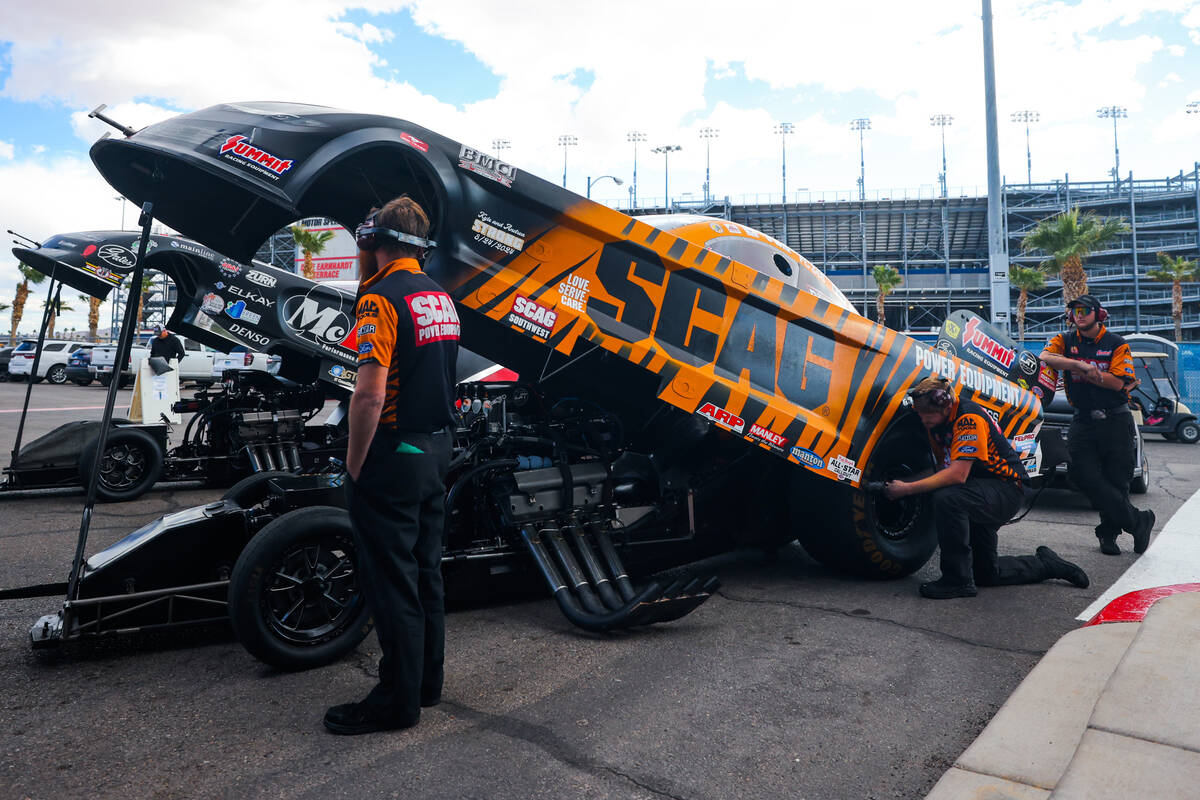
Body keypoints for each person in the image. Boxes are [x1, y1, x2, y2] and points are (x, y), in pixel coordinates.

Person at [323, 195, 460, 735]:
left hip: (393, 452)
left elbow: (368, 395)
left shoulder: (379, 298)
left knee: (392, 582)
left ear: (371, 241)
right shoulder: (439, 296)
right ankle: (426, 685)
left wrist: (356, 464)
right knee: (426, 573)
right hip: (436, 449)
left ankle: (395, 702)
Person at [884, 377, 1089, 599]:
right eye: (920, 414)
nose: (923, 420)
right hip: (980, 492)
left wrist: (906, 489)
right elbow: (942, 469)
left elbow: (957, 474)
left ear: (946, 406)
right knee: (985, 574)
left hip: (1006, 490)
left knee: (947, 498)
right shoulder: (938, 424)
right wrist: (904, 482)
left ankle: (957, 581)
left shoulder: (968, 418)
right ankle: (1047, 565)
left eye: (927, 415)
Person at [1040, 295, 1154, 556]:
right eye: (1074, 311)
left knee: (1117, 481)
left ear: (1098, 314)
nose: (1078, 315)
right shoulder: (1065, 340)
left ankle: (1108, 537)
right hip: (1082, 419)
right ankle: (1138, 521)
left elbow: (1118, 382)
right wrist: (1080, 366)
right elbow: (1046, 356)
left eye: (1084, 311)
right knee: (1080, 475)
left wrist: (1090, 373)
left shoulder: (1117, 344)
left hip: (1116, 419)